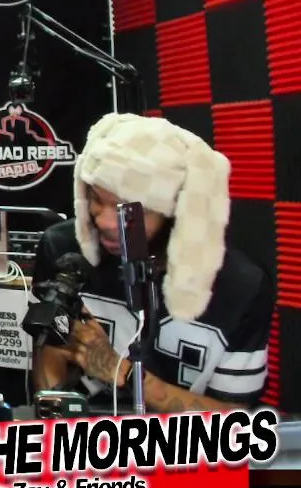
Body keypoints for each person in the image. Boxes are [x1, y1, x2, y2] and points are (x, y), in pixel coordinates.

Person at [32, 112, 272, 411]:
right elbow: (50, 356)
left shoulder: (240, 285)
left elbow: (234, 417)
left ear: (175, 213)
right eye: (97, 199)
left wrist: (122, 372)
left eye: (129, 209)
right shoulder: (63, 247)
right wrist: (58, 420)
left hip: (184, 438)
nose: (105, 221)